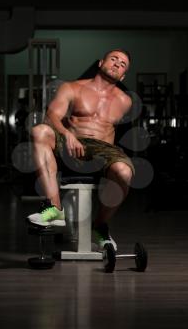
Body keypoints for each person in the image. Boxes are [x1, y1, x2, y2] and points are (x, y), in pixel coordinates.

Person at [27, 49, 135, 251]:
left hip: (102, 151)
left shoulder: (125, 101)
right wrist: (67, 134)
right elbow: (51, 116)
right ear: (101, 62)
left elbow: (117, 134)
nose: (117, 64)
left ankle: (100, 227)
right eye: (114, 59)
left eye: (123, 64)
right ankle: (54, 209)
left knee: (125, 171)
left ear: (123, 75)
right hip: (71, 144)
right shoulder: (72, 88)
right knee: (39, 131)